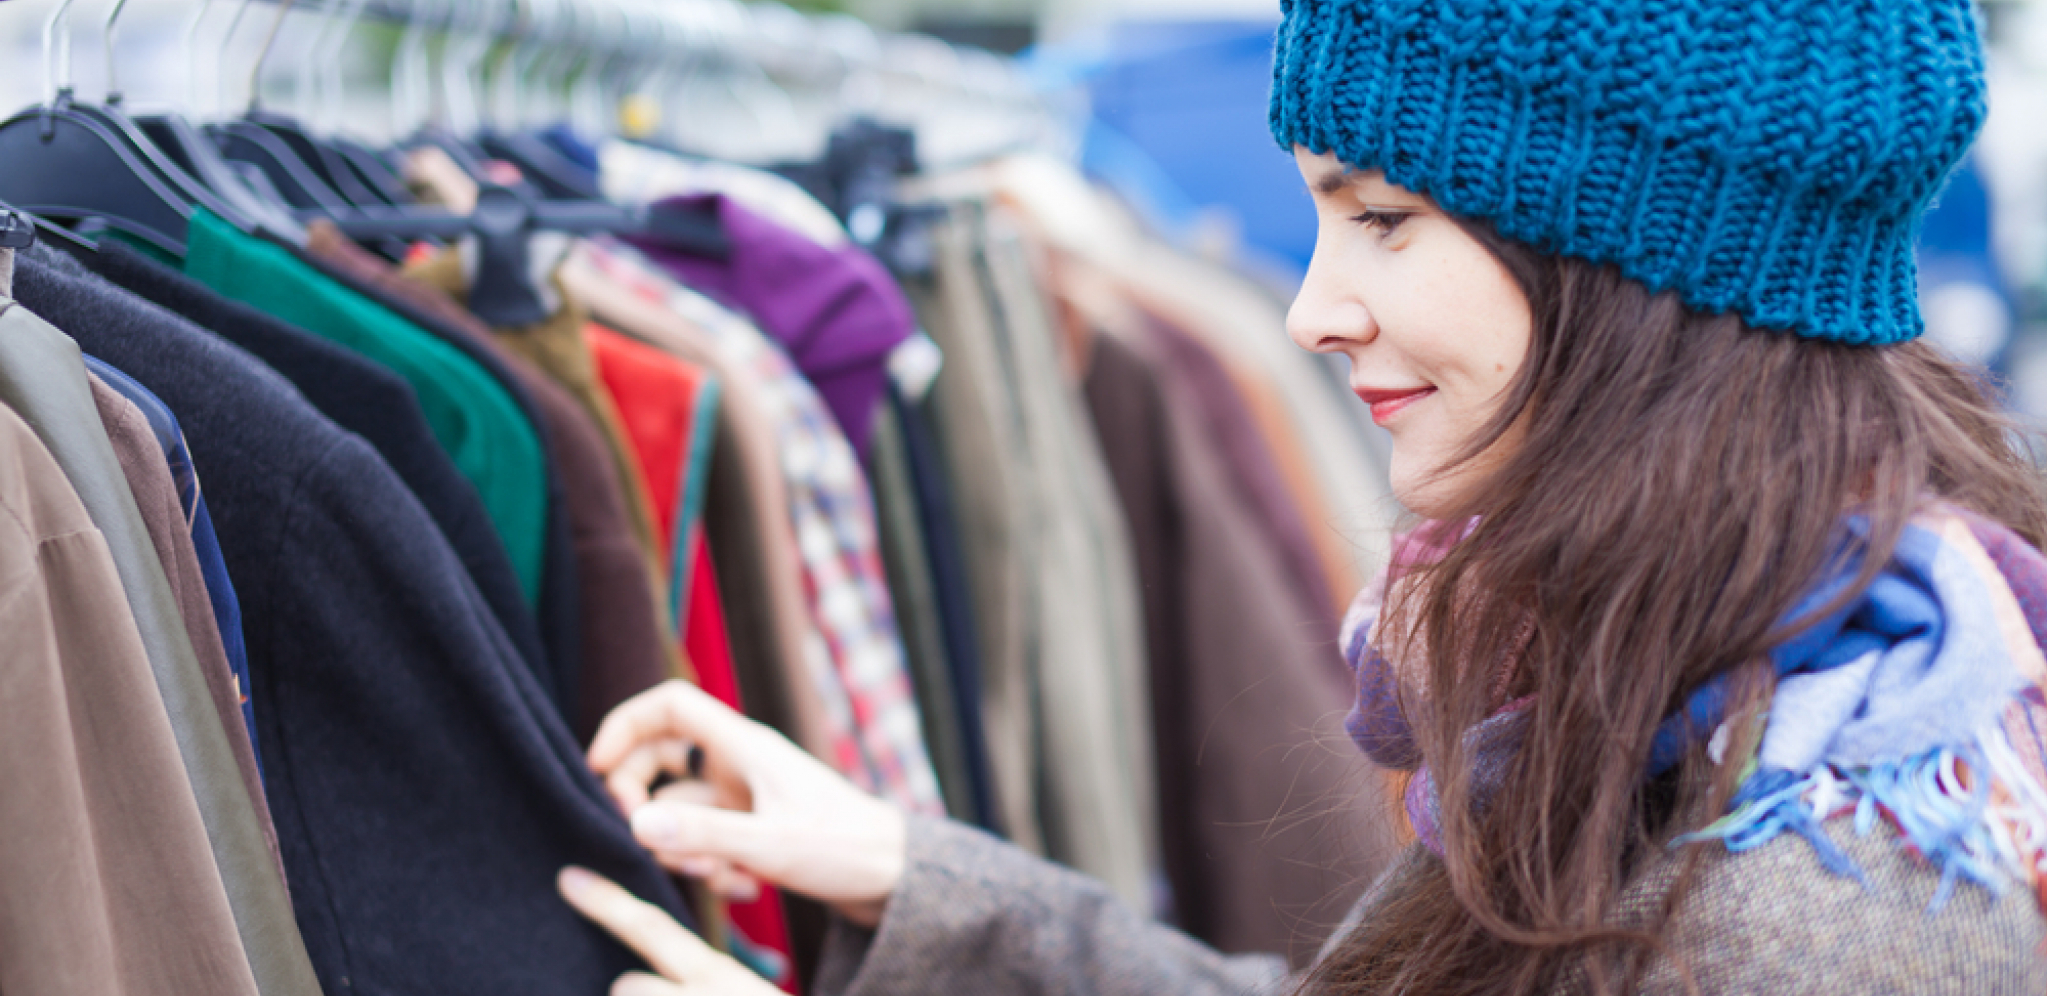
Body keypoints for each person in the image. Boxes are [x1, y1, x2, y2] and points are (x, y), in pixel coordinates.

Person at [559, 1, 2047, 993]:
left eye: (1383, 217)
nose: (1310, 310)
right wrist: (911, 879)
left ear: (1639, 254)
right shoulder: (1711, 673)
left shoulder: (1833, 908)